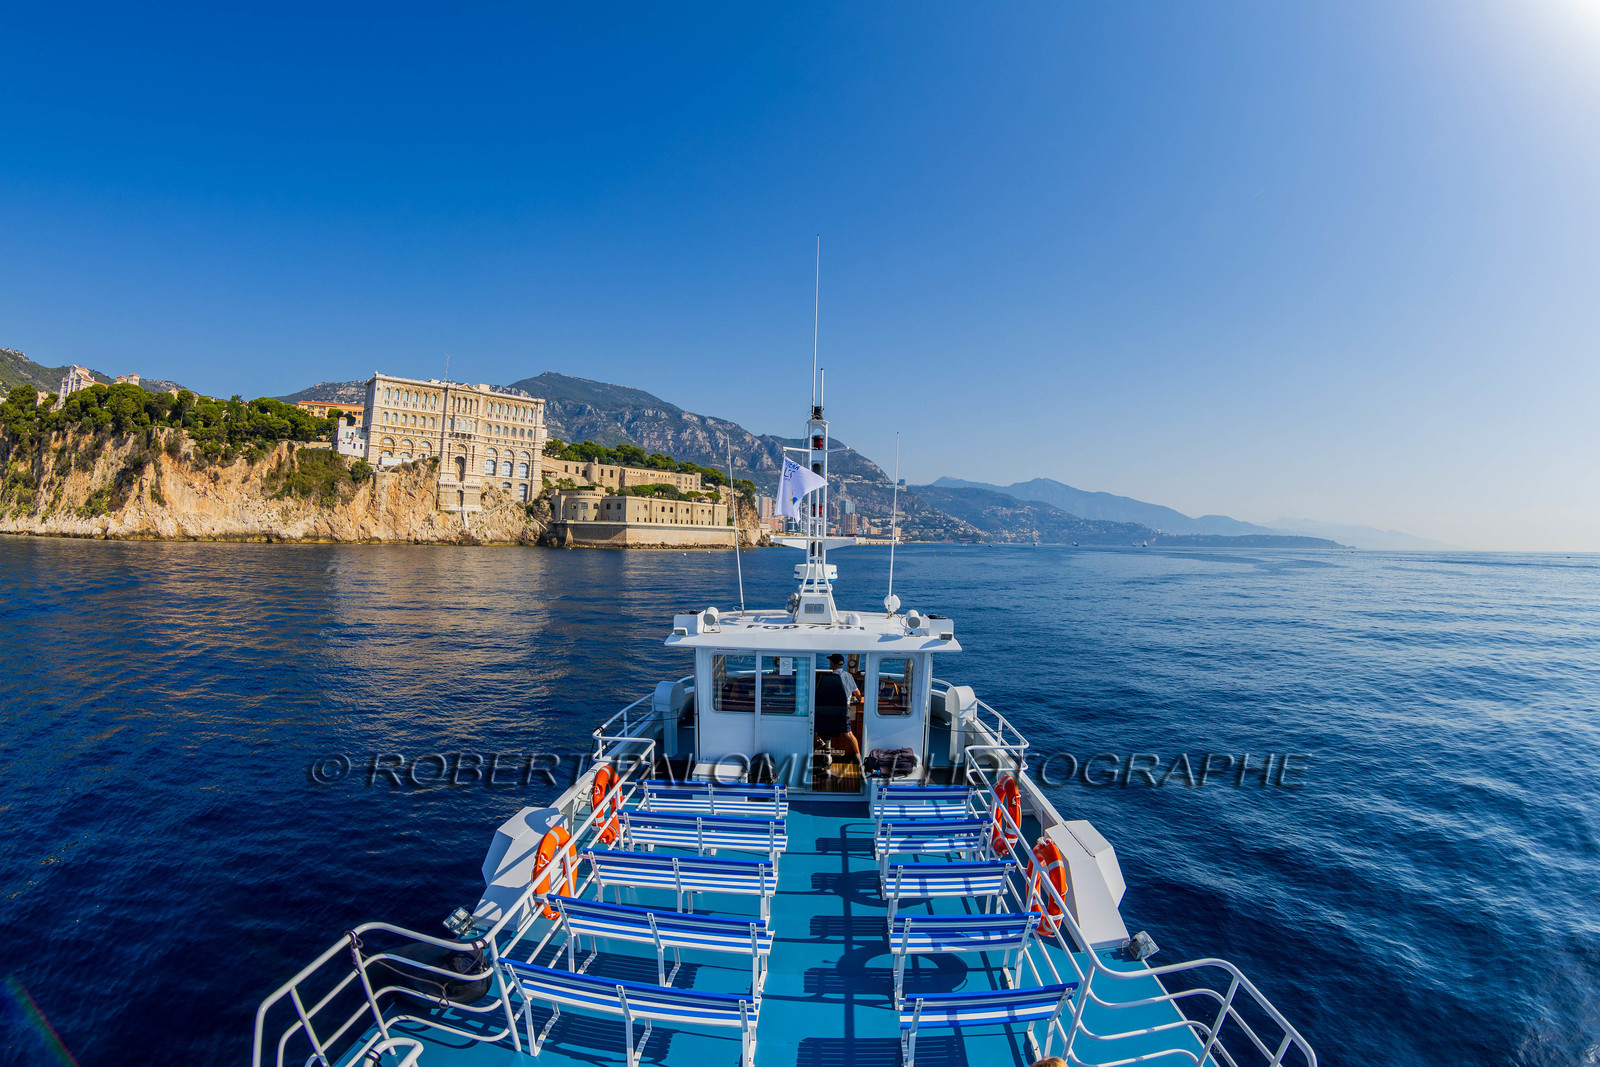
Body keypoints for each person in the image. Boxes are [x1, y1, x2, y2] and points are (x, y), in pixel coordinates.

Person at [824, 654, 862, 759]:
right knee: (848, 734)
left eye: (830, 661)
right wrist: (860, 699)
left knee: (818, 726)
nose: (829, 663)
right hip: (845, 709)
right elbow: (857, 693)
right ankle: (859, 757)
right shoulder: (848, 676)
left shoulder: (829, 677)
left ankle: (821, 742)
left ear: (833, 663)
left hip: (830, 710)